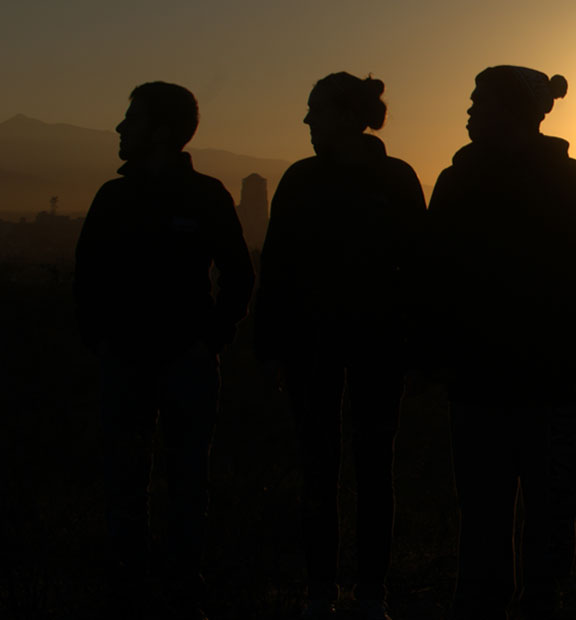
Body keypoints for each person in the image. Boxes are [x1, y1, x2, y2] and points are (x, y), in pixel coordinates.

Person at [412, 65, 576, 620]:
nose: (470, 112)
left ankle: (525, 601)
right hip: (499, 376)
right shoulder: (474, 180)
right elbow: (435, 276)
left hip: (535, 377)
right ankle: (504, 600)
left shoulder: (558, 182)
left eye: (480, 101)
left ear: (514, 111)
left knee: (515, 509)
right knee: (498, 509)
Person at [74, 81, 254, 620]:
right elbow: (87, 278)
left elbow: (239, 276)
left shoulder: (206, 195)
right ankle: (129, 590)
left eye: (131, 119)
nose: (119, 128)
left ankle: (180, 590)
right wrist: (101, 340)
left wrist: (208, 341)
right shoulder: (114, 196)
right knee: (127, 482)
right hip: (127, 360)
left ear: (161, 132)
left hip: (185, 363)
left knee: (183, 483)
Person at [254, 72, 426, 620]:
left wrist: (270, 346)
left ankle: (333, 592)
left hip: (340, 344)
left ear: (345, 115)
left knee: (334, 468)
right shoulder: (389, 178)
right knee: (362, 468)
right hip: (358, 344)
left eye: (315, 110)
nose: (307, 121)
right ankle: (351, 593)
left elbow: (277, 268)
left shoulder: (309, 180)